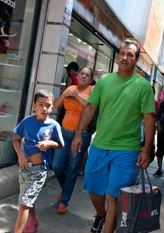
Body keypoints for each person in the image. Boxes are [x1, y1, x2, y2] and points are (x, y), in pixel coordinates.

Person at [71, 39, 155, 233]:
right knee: (93, 189)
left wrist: (147, 149)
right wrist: (78, 134)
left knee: (114, 195)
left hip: (127, 150)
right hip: (100, 145)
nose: (125, 58)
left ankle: (108, 227)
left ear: (136, 60)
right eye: (123, 53)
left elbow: (150, 120)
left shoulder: (143, 86)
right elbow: (91, 107)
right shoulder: (105, 80)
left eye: (130, 55)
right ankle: (101, 215)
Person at [13, 89, 64, 233]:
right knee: (26, 199)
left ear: (52, 107)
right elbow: (16, 140)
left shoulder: (54, 126)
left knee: (24, 203)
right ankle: (34, 220)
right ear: (34, 106)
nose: (44, 108)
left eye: (48, 105)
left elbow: (61, 145)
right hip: (24, 168)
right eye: (40, 104)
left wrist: (50, 144)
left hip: (38, 170)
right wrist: (20, 156)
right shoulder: (27, 121)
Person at [52, 67, 94, 214]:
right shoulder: (70, 88)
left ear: (90, 79)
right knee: (56, 165)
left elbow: (90, 105)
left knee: (72, 168)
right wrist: (65, 93)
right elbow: (55, 105)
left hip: (82, 135)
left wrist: (76, 95)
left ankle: (64, 201)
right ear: (77, 75)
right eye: (81, 73)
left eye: (87, 75)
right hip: (64, 132)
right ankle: (65, 191)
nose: (83, 76)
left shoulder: (92, 90)